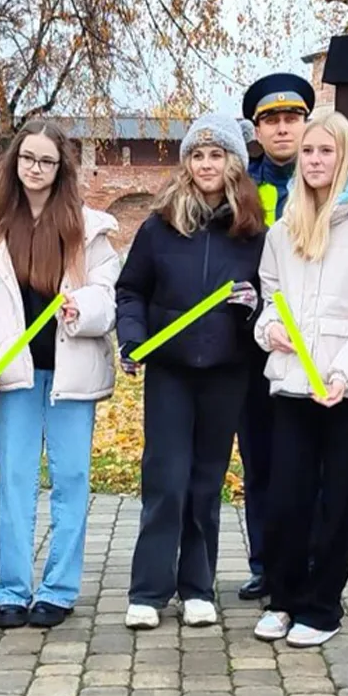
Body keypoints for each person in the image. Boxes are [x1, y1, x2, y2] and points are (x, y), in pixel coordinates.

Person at [251, 108, 348, 647]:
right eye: (308, 152)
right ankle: (283, 598)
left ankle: (321, 606)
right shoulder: (283, 229)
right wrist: (270, 330)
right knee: (286, 496)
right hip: (293, 384)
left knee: (337, 500)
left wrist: (344, 373)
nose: (314, 161)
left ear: (345, 157)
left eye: (326, 151)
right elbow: (270, 298)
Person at [0, 120, 120, 630]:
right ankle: (12, 590)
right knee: (15, 481)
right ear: (15, 162)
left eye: (47, 161)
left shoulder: (89, 228)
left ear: (60, 167)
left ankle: (58, 589)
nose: (36, 168)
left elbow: (108, 294)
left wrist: (82, 308)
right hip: (17, 374)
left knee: (71, 479)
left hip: (73, 372)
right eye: (28, 158)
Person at [115, 113, 266, 630]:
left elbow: (270, 299)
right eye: (197, 156)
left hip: (227, 370)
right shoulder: (158, 227)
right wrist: (133, 338)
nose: (205, 164)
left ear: (233, 164)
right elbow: (130, 290)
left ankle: (197, 586)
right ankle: (149, 590)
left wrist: (253, 307)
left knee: (206, 480)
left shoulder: (253, 233)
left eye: (216, 155)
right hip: (170, 371)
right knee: (166, 477)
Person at [234, 71, 316, 601]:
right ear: (257, 130)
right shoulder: (240, 185)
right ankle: (265, 562)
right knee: (260, 458)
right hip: (252, 343)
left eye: (292, 118)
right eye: (272, 121)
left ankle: (309, 563)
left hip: (313, 343)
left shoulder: (327, 179)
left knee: (311, 463)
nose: (283, 129)